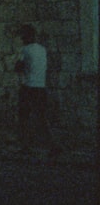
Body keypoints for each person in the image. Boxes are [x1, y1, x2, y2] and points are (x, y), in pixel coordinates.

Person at [14, 23, 61, 158]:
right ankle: (52, 145)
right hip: (41, 87)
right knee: (41, 117)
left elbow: (18, 67)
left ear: (25, 36)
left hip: (28, 87)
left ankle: (25, 146)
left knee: (24, 118)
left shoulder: (25, 50)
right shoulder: (42, 49)